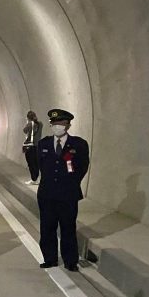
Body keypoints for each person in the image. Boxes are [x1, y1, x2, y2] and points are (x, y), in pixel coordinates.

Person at [37, 108, 89, 271]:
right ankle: (50, 258)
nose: (57, 126)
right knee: (47, 228)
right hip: (47, 194)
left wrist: (71, 183)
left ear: (68, 125)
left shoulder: (79, 144)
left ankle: (70, 261)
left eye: (61, 123)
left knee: (68, 228)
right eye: (54, 123)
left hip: (68, 194)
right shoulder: (44, 144)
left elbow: (82, 167)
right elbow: (40, 165)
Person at [23, 110, 42, 185]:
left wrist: (28, 122)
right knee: (36, 163)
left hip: (30, 146)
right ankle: (36, 179)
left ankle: (34, 179)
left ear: (28, 118)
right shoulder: (40, 124)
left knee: (31, 163)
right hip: (38, 146)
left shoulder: (29, 124)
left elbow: (24, 131)